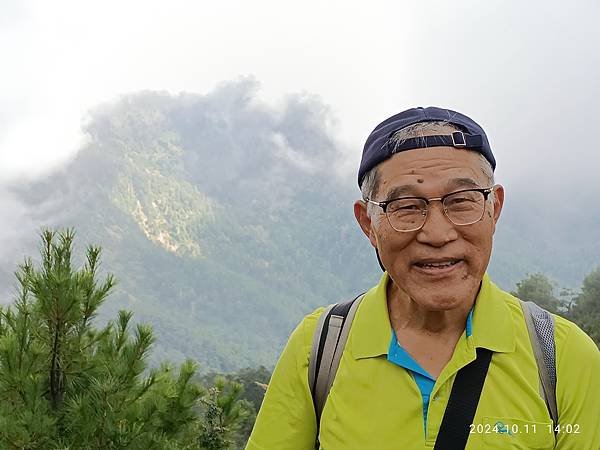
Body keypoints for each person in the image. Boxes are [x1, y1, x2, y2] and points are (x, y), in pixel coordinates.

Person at [246, 107, 600, 449]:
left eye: (461, 201)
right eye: (407, 206)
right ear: (368, 223)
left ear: (494, 209)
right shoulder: (321, 349)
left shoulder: (562, 357)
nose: (437, 233)